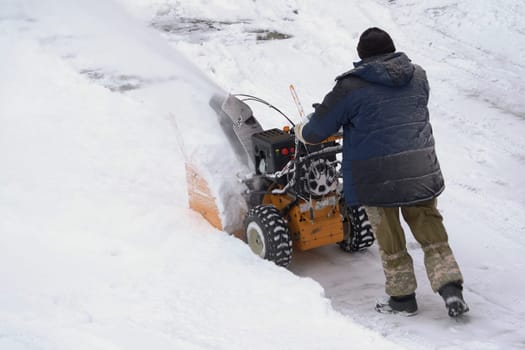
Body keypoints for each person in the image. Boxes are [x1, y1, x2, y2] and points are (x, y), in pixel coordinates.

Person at [294, 27, 469, 317]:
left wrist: (304, 128)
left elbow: (316, 132)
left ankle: (402, 300)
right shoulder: (418, 76)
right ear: (392, 49)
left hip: (376, 177)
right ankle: (451, 289)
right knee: (430, 228)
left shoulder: (350, 87)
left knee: (390, 237)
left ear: (362, 57)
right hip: (419, 167)